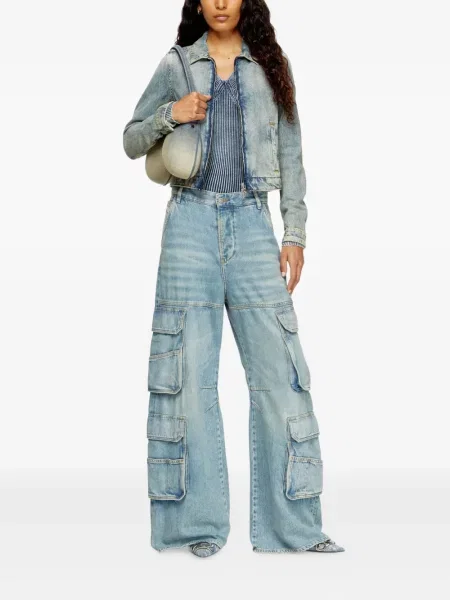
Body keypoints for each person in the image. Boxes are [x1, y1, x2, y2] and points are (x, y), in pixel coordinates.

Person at [123, 0, 345, 557]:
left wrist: (295, 232)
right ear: (197, 3)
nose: (221, 3)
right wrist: (171, 114)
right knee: (185, 377)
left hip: (252, 223)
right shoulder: (177, 63)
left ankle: (293, 529)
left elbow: (292, 151)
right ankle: (194, 527)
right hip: (189, 224)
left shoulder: (271, 65)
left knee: (281, 375)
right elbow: (130, 139)